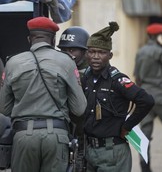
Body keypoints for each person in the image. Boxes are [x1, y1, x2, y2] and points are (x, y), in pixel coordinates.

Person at [0, 16, 87, 172]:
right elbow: (79, 108)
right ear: (53, 40)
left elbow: (4, 108)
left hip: (23, 136)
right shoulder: (66, 61)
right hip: (56, 136)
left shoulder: (12, 62)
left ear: (29, 39)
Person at [82, 21, 154, 172]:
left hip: (112, 151)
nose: (95, 57)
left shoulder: (117, 80)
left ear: (110, 55)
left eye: (101, 52)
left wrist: (127, 127)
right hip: (89, 150)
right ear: (86, 53)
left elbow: (146, 101)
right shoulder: (85, 78)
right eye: (92, 51)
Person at [57, 26, 89, 172]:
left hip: (86, 133)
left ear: (85, 51)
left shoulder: (93, 73)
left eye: (72, 50)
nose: (68, 55)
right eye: (64, 50)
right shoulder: (55, 69)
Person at [134, 23, 162, 172]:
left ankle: (145, 168)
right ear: (157, 36)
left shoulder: (141, 52)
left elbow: (137, 77)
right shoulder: (159, 51)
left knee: (144, 136)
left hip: (145, 97)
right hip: (160, 94)